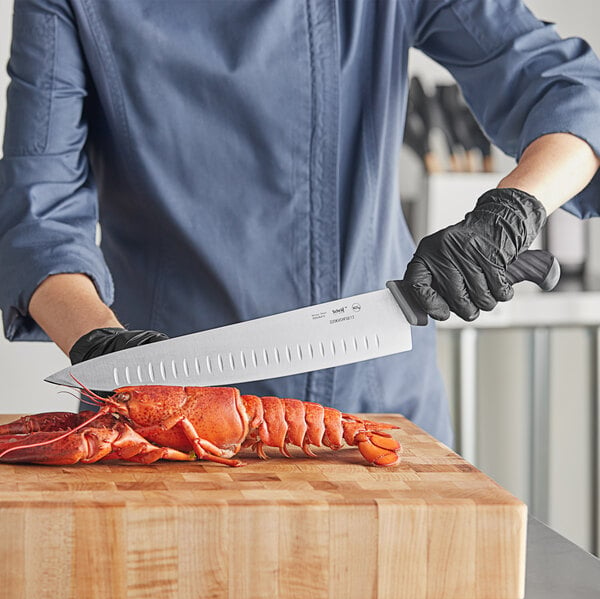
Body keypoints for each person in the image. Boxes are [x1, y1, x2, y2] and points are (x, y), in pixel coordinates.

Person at [1, 0, 600, 448]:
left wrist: (511, 210)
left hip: (380, 403)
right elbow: (38, 209)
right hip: (168, 415)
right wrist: (101, 344)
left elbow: (570, 88)